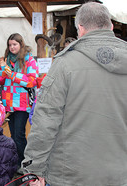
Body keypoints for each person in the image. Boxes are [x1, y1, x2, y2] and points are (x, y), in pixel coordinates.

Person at [22, 2, 127, 185]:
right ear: (110, 26)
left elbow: (46, 120)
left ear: (80, 29)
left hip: (71, 174)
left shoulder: (64, 65)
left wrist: (34, 168)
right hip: (120, 174)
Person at [0, 33, 39, 174]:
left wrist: (13, 75)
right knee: (13, 135)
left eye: (14, 44)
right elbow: (0, 80)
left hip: (22, 104)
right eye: (10, 45)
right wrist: (2, 70)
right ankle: (16, 163)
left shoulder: (29, 59)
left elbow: (32, 80)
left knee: (19, 135)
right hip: (8, 103)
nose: (12, 47)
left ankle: (25, 163)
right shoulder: (7, 59)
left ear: (21, 44)